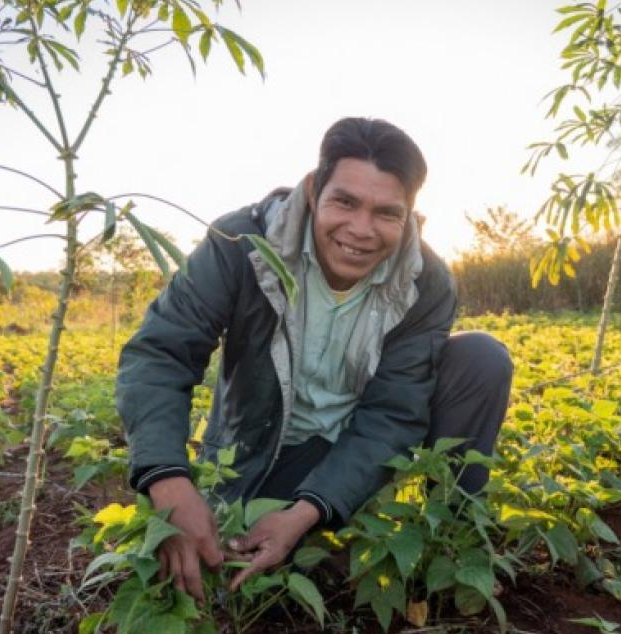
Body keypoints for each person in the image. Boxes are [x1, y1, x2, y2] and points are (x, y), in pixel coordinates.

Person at [115, 117, 512, 602]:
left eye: (387, 213)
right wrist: (168, 480)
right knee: (227, 578)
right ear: (312, 191)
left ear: (408, 215)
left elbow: (392, 412)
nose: (361, 231)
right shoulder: (243, 245)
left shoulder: (424, 281)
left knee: (481, 359)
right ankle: (321, 521)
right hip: (260, 446)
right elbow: (161, 351)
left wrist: (304, 513)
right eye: (345, 202)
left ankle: (454, 545)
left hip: (356, 443)